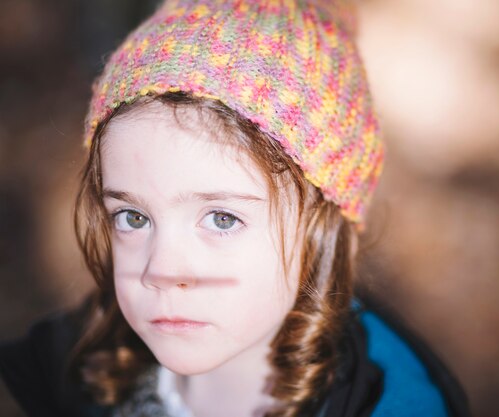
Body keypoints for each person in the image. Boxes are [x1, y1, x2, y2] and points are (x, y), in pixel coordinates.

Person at [0, 0, 470, 416]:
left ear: (323, 225)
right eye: (134, 217)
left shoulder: (393, 404)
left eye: (222, 219)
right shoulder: (82, 374)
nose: (162, 270)